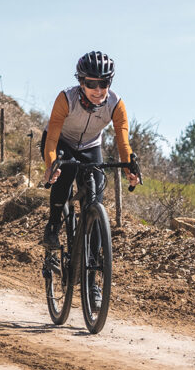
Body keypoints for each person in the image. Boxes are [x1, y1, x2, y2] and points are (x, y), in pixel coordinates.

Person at [41, 51, 140, 258]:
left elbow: (123, 142)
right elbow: (51, 140)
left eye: (103, 83)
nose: (98, 90)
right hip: (61, 142)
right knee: (65, 174)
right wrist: (51, 165)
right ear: (81, 82)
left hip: (90, 146)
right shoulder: (66, 99)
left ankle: (93, 279)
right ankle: (53, 225)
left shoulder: (116, 104)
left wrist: (129, 168)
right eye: (91, 83)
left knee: (96, 203)